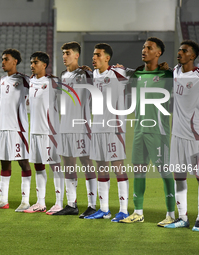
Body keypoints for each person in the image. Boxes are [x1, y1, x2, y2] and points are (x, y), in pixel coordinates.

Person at [120, 37, 175, 225]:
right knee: (139, 170)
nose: (144, 50)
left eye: (149, 48)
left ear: (158, 53)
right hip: (138, 131)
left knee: (165, 172)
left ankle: (171, 214)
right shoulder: (136, 76)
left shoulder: (168, 76)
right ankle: (138, 212)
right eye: (143, 47)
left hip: (158, 132)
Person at [82, 43, 129, 222]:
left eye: (98, 55)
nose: (94, 58)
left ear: (107, 58)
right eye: (93, 55)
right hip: (98, 128)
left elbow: (138, 72)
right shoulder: (94, 74)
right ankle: (104, 209)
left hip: (114, 129)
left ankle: (123, 210)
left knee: (118, 168)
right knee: (101, 168)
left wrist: (125, 68)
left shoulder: (118, 73)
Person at [0, 49, 32, 211]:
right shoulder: (3, 80)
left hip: (18, 128)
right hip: (3, 128)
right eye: (2, 59)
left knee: (23, 162)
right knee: (4, 164)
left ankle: (25, 201)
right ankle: (3, 200)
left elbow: (39, 89)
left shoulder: (24, 79)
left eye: (6, 59)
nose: (3, 62)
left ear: (15, 62)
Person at [52, 41, 94, 216]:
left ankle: (92, 204)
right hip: (65, 126)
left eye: (68, 53)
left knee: (86, 163)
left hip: (81, 126)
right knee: (68, 164)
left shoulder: (85, 74)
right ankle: (71, 204)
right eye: (63, 53)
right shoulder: (62, 75)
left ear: (76, 55)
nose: (64, 56)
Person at [164, 40, 199, 231]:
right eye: (178, 50)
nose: (180, 53)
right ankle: (182, 217)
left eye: (184, 51)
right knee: (179, 176)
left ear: (193, 56)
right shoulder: (176, 71)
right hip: (176, 134)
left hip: (195, 136)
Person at [23, 51, 62, 213]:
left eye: (35, 63)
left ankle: (59, 202)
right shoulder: (30, 81)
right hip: (35, 131)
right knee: (38, 166)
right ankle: (41, 203)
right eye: (31, 62)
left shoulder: (53, 82)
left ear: (44, 65)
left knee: (55, 166)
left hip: (49, 131)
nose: (32, 65)